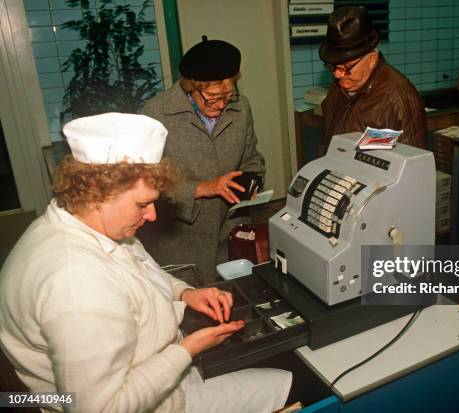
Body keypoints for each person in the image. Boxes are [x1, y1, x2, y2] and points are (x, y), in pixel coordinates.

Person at [0, 113, 291, 413]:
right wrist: (186, 350)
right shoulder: (76, 286)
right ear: (98, 194)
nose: (152, 215)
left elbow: (138, 269)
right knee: (290, 383)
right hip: (150, 401)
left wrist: (184, 293)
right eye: (142, 204)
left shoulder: (81, 221)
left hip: (154, 367)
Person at [141, 36, 265, 285]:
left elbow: (252, 156)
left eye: (228, 95)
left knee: (237, 299)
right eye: (212, 97)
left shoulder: (241, 108)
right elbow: (145, 180)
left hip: (230, 230)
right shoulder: (156, 113)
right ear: (190, 87)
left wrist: (253, 179)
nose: (221, 105)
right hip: (179, 237)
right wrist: (201, 188)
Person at [318, 6, 427, 153]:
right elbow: (326, 142)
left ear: (371, 59)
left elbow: (414, 163)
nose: (337, 75)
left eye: (347, 67)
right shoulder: (340, 86)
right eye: (333, 66)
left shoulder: (397, 98)